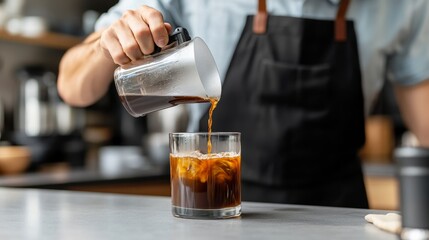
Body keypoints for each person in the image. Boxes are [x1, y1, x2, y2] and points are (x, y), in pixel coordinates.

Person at [57, 0, 429, 208]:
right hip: (213, 206)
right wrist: (107, 45)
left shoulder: (404, 6)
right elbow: (73, 86)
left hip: (338, 207)